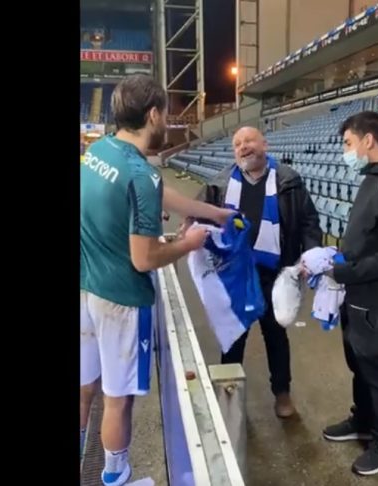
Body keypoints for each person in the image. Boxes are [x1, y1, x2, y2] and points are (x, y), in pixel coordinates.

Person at [80, 74, 234, 486]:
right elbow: (145, 258)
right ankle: (116, 475)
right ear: (153, 114)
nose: (167, 120)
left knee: (84, 385)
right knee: (118, 398)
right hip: (121, 300)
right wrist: (188, 242)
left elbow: (157, 192)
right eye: (166, 113)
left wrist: (214, 214)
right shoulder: (139, 174)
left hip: (87, 289)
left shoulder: (100, 152)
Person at [192, 126, 322, 418]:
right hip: (236, 275)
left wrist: (310, 254)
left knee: (276, 336)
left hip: (274, 273)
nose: (243, 147)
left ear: (264, 143)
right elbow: (199, 214)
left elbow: (308, 222)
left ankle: (282, 393)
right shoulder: (221, 183)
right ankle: (229, 396)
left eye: (248, 140)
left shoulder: (288, 180)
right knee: (233, 336)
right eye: (237, 143)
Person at [321, 111, 378, 476]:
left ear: (368, 140)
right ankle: (364, 421)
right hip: (356, 288)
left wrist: (347, 270)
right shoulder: (373, 177)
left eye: (348, 143)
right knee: (357, 360)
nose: (346, 151)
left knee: (375, 366)